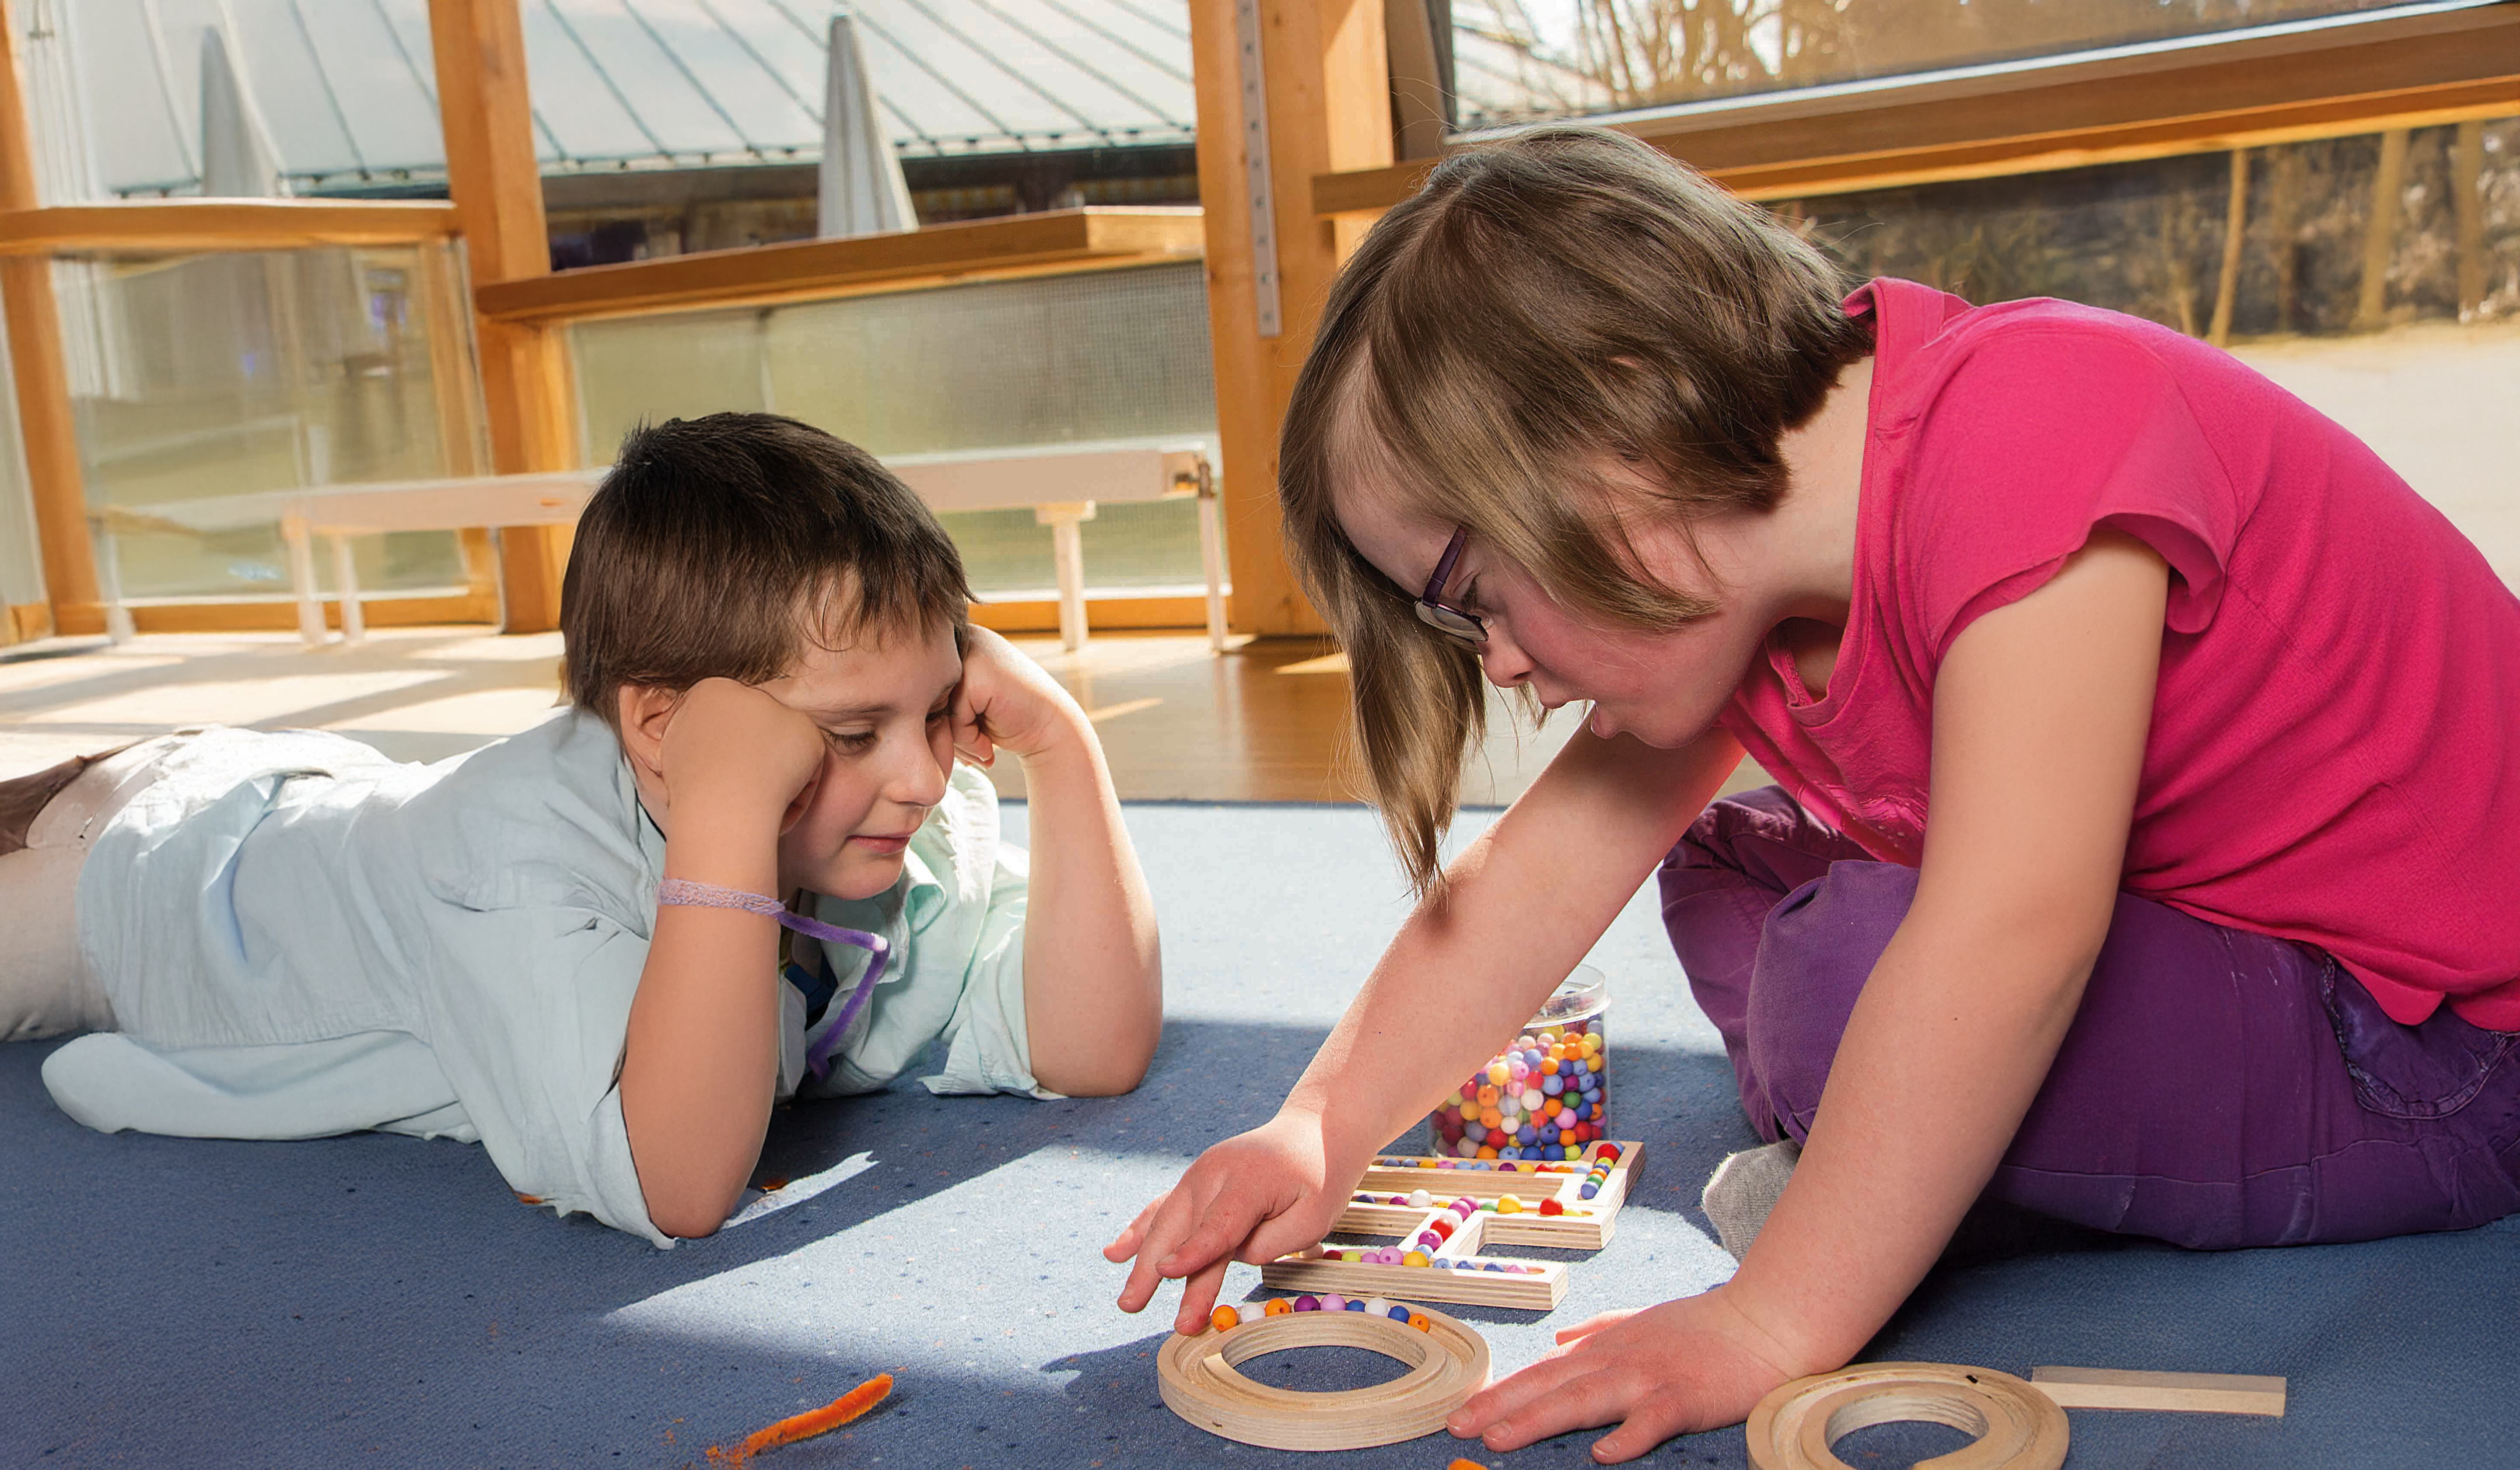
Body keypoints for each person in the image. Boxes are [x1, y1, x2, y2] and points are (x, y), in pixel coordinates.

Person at [1105, 125, 2520, 1460]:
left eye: (1479, 598)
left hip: (2438, 1050)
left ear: (1621, 415)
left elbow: (2013, 935)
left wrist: (1774, 1319)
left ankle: (1884, 1156)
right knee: (1726, 868)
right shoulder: (1748, 589)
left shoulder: (2034, 425)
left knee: (1863, 965)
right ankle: (1896, 1142)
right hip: (2214, 946)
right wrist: (1322, 1123)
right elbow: (1535, 877)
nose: (1512, 671)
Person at [1, 413, 1162, 1246]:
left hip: (325, 797)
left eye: (933, 710)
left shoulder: (874, 825)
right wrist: (726, 826)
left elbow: (1090, 1047)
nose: (920, 773)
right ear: (665, 729)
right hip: (153, 873)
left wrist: (1063, 750)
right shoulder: (520, 858)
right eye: (855, 733)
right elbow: (678, 1185)